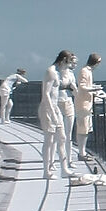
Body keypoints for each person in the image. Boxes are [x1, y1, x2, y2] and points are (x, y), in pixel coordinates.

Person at [40, 50, 74, 180]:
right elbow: (46, 94)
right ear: (64, 60)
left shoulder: (58, 73)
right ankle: (46, 171)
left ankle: (64, 169)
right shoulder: (51, 72)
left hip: (55, 108)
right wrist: (52, 113)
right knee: (49, 141)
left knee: (62, 137)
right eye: (68, 62)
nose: (69, 66)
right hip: (48, 109)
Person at [71, 52, 104, 178]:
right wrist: (94, 89)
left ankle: (82, 151)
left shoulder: (87, 71)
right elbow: (82, 87)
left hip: (86, 103)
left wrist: (93, 88)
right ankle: (81, 152)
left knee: (85, 128)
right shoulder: (85, 71)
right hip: (83, 103)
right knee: (83, 128)